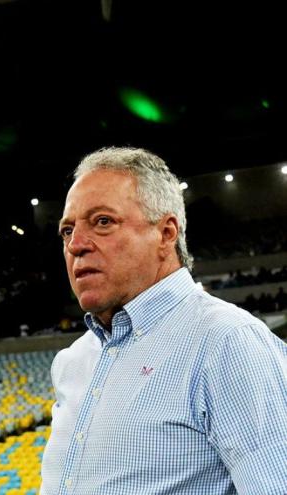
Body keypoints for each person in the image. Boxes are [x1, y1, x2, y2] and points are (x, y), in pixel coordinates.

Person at [40, 147, 287, 495]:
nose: (75, 244)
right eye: (67, 230)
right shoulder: (72, 361)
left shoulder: (228, 343)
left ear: (166, 233)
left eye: (103, 222)